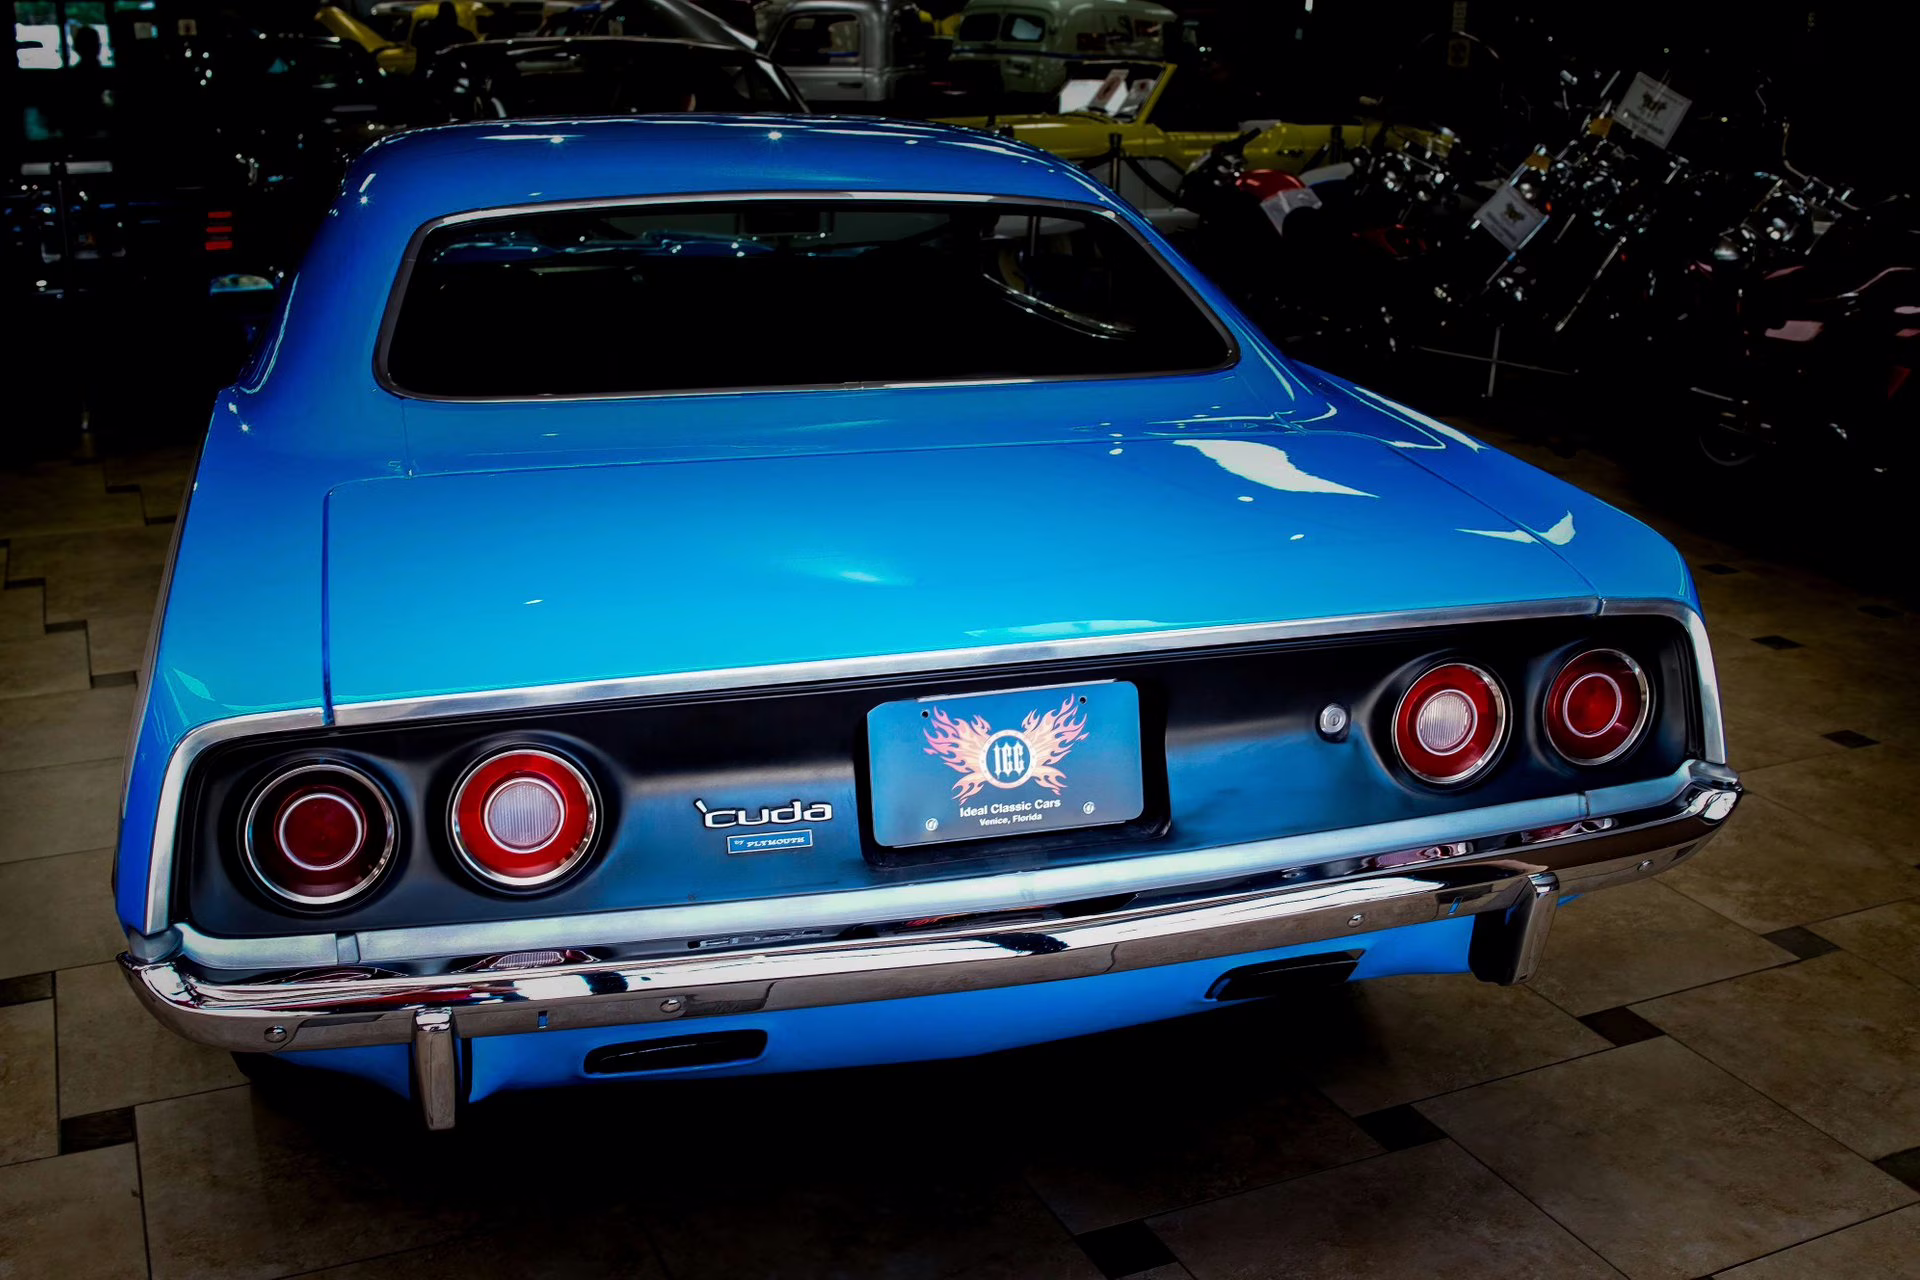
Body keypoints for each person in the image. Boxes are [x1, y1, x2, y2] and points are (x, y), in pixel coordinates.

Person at [413, 2, 476, 67]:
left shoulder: (426, 30)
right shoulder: (463, 33)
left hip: (431, 68)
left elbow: (415, 43)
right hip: (451, 68)